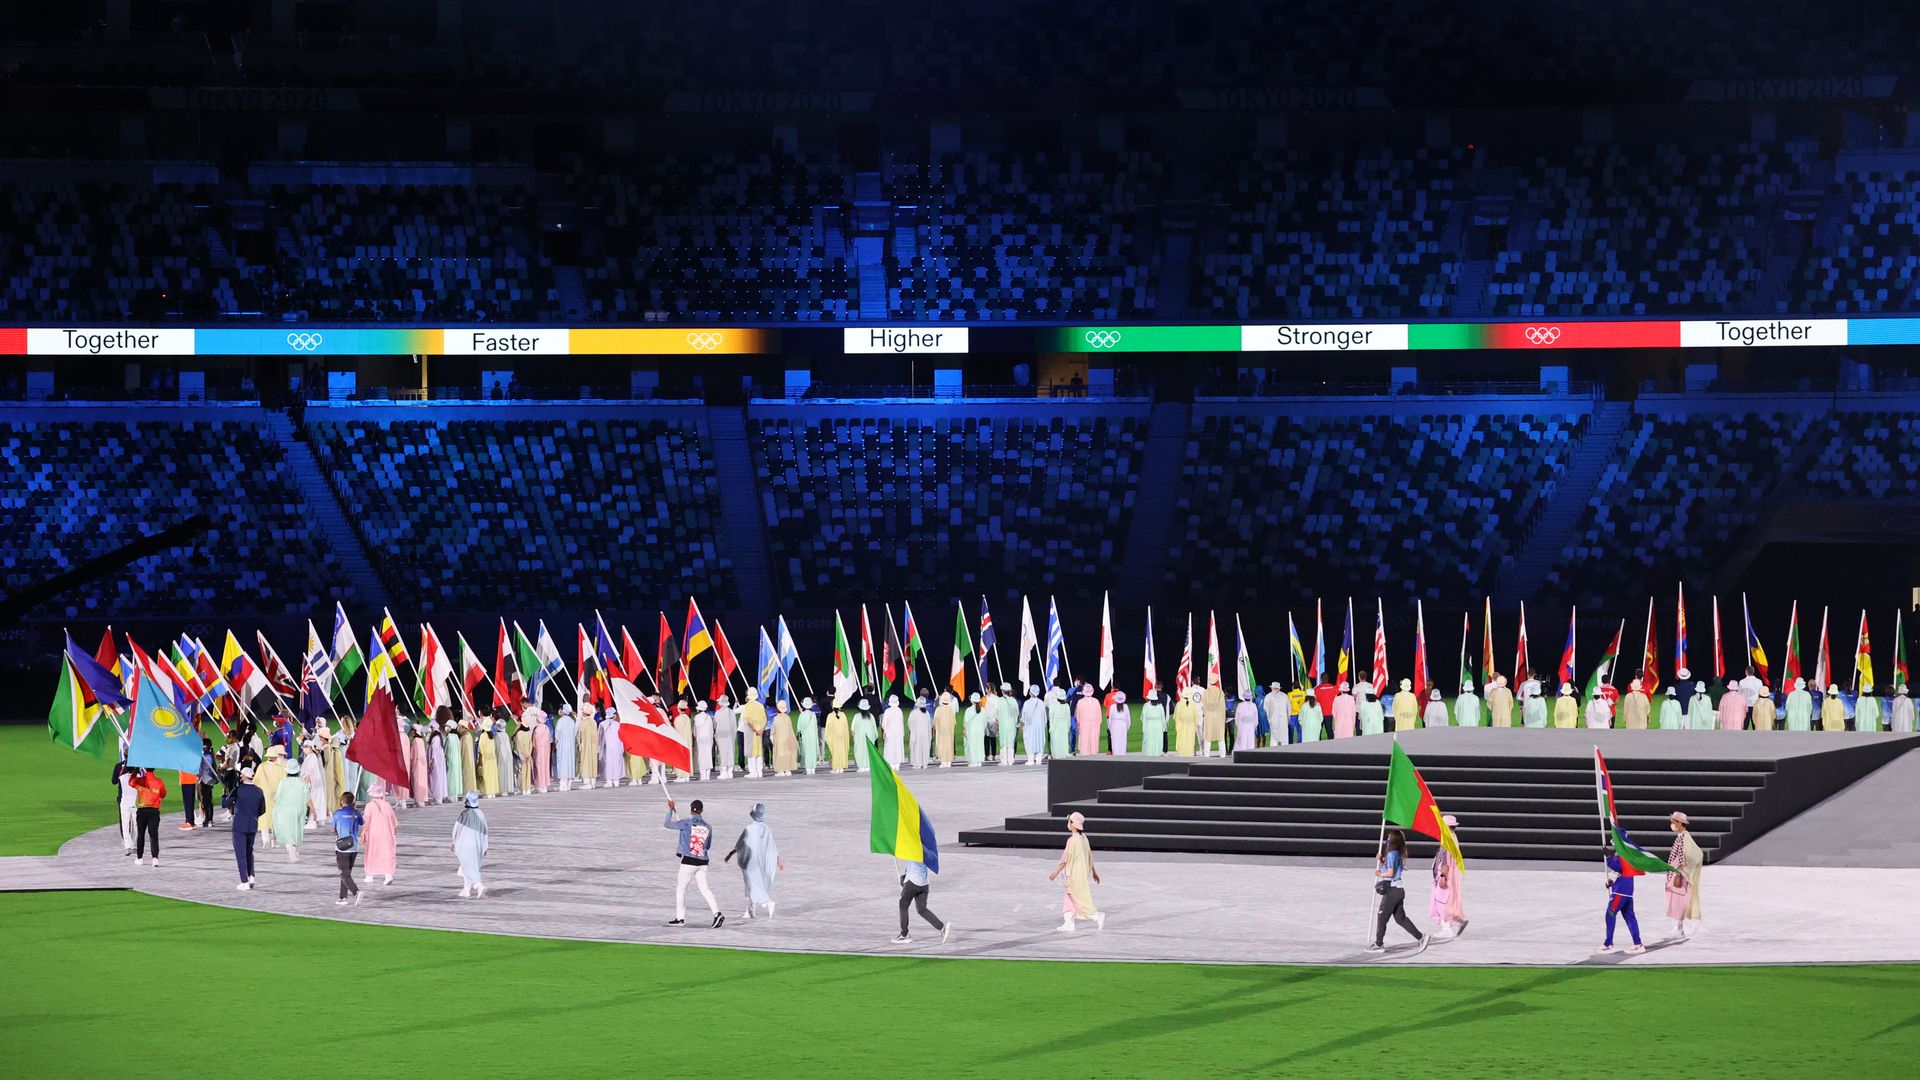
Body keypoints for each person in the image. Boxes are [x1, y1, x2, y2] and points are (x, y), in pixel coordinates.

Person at [663, 798, 724, 928]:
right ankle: (717, 913)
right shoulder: (708, 827)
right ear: (702, 810)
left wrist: (670, 810)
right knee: (705, 889)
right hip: (703, 861)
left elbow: (667, 824)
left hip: (689, 861)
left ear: (691, 810)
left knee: (681, 889)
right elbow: (708, 845)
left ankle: (680, 918)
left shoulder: (686, 823)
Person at [1368, 829, 1428, 953]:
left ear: (1393, 840)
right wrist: (1381, 860)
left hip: (1392, 890)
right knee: (1400, 918)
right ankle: (1421, 937)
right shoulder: (1396, 853)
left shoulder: (1391, 854)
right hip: (1399, 890)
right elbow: (1392, 867)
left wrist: (1379, 873)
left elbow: (1390, 873)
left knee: (1382, 916)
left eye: (1389, 838)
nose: (1387, 840)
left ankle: (1379, 944)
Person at [724, 802, 783, 920]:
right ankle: (750, 910)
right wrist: (777, 860)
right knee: (755, 884)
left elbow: (740, 843)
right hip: (761, 861)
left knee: (750, 885)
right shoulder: (767, 829)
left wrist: (730, 854)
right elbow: (772, 846)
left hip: (749, 860)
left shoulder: (749, 829)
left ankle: (766, 903)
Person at [1050, 812, 1106, 932]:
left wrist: (1056, 872)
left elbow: (1065, 859)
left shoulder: (1072, 840)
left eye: (1069, 821)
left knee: (1077, 898)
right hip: (1080, 874)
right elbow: (1089, 855)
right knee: (1069, 898)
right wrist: (1094, 871)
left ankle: (1096, 916)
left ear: (1072, 824)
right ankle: (1068, 923)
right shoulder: (1084, 838)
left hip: (1072, 875)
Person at [894, 856, 950, 945]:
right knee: (922, 909)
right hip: (924, 884)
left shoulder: (912, 850)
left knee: (903, 905)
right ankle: (942, 928)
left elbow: (903, 853)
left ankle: (904, 935)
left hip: (912, 882)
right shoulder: (925, 850)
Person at [1665, 811, 1704, 938]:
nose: (1672, 824)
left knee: (1678, 900)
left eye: (1674, 822)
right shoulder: (1681, 836)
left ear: (1680, 823)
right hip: (1676, 871)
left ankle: (1678, 928)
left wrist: (1678, 872)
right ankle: (1678, 927)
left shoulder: (1683, 838)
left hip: (1679, 872)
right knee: (1676, 899)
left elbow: (1683, 857)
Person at [1601, 842, 1645, 954]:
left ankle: (1608, 944)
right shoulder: (1625, 854)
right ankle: (1638, 944)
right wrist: (1611, 881)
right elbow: (1618, 872)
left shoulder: (1624, 854)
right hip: (1627, 892)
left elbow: (1617, 866)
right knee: (1630, 917)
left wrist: (1608, 857)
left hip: (1620, 893)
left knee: (1610, 914)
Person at [1430, 814, 1467, 939]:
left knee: (1442, 901)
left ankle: (1447, 928)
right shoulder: (1452, 837)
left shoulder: (1447, 841)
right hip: (1450, 874)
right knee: (1450, 899)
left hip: (1445, 875)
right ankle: (1458, 920)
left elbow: (1445, 860)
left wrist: (1442, 875)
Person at [230, 765, 265, 889]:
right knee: (249, 851)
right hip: (252, 825)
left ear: (244, 777)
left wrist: (228, 796)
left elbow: (225, 803)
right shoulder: (259, 791)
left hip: (239, 826)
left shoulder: (238, 789)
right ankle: (251, 876)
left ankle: (244, 881)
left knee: (241, 854)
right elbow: (262, 810)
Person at [451, 791, 488, 898]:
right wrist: (485, 846)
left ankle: (478, 886)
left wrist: (453, 842)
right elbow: (485, 832)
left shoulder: (464, 814)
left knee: (467, 866)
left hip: (464, 845)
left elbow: (456, 830)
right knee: (470, 866)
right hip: (477, 845)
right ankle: (466, 890)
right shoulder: (481, 814)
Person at [127, 767, 167, 866]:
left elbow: (131, 782)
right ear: (154, 769)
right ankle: (155, 858)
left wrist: (135, 771)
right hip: (154, 811)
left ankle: (140, 858)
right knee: (153, 835)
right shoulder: (159, 782)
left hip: (142, 810)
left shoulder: (140, 781)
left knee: (141, 834)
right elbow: (163, 794)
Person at [362, 777, 398, 886]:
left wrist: (363, 832)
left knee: (372, 853)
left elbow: (366, 822)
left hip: (374, 835)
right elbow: (394, 822)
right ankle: (388, 876)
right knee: (387, 854)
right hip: (387, 834)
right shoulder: (387, 805)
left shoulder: (369, 806)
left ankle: (369, 876)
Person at [272, 758, 309, 862]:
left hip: (285, 810)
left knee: (288, 831)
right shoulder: (302, 783)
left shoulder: (283, 783)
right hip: (298, 810)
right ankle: (295, 850)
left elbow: (277, 797)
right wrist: (314, 812)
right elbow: (307, 798)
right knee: (297, 830)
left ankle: (291, 852)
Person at [331, 792, 364, 906]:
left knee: (344, 873)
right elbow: (362, 823)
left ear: (342, 801)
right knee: (346, 873)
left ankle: (356, 892)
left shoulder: (338, 813)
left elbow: (333, 829)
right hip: (354, 847)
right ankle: (343, 897)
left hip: (343, 848)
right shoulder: (357, 813)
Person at [740, 689, 769, 779]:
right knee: (758, 751)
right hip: (759, 731)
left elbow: (747, 719)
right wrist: (760, 729)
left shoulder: (747, 706)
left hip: (751, 731)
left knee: (751, 751)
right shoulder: (760, 706)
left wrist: (754, 729)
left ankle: (753, 772)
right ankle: (759, 771)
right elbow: (765, 719)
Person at [598, 707, 626, 787]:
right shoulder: (618, 725)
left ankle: (609, 781)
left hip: (607, 747)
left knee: (608, 764)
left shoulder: (602, 724)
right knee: (616, 763)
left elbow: (600, 737)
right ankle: (616, 781)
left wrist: (599, 748)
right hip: (616, 747)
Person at [713, 695, 738, 780]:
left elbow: (715, 725)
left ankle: (724, 772)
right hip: (730, 736)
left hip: (721, 736)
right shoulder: (731, 712)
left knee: (723, 753)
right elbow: (734, 725)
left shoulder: (718, 713)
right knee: (730, 752)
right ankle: (730, 771)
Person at [554, 704, 578, 791]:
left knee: (563, 764)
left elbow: (557, 734)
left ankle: (562, 785)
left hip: (562, 746)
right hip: (570, 746)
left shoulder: (560, 721)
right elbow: (574, 733)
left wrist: (556, 744)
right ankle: (568, 784)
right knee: (569, 763)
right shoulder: (572, 721)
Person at [852, 698, 880, 772]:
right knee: (868, 751)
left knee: (860, 751)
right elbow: (875, 729)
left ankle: (861, 766)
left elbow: (853, 729)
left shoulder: (857, 716)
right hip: (869, 737)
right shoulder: (871, 716)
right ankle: (868, 765)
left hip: (859, 738)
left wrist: (853, 738)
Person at [1137, 689, 1168, 757]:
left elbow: (1143, 718)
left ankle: (1150, 754)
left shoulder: (1146, 706)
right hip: (1158, 725)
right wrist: (1164, 728)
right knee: (1157, 740)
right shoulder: (1160, 706)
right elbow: (1163, 718)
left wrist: (1144, 727)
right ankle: (1157, 754)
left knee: (1150, 740)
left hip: (1150, 725)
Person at [1201, 680, 1228, 756]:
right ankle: (1222, 754)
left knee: (1208, 736)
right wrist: (1223, 717)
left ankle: (1206, 754)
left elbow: (1203, 704)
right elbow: (1223, 706)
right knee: (1220, 736)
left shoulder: (1206, 692)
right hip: (1218, 717)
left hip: (1209, 717)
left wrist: (1204, 713)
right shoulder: (1220, 692)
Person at [797, 696, 823, 775]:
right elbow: (816, 726)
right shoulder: (813, 715)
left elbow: (799, 728)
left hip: (805, 736)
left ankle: (808, 768)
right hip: (813, 736)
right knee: (813, 751)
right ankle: (813, 768)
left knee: (806, 751)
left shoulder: (802, 715)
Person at [997, 682, 1021, 765]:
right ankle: (1010, 760)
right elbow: (1017, 713)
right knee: (1011, 742)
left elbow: (996, 713)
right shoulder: (1013, 701)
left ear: (1002, 691)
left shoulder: (999, 700)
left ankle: (1004, 761)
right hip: (1012, 725)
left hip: (1003, 724)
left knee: (1003, 742)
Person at [689, 699, 714, 780]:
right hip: (708, 739)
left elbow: (694, 730)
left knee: (701, 756)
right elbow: (711, 730)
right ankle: (708, 775)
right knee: (708, 755)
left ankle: (703, 775)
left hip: (700, 739)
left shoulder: (696, 717)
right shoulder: (709, 717)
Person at [880, 695, 906, 771]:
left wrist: (884, 732)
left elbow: (884, 724)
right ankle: (897, 764)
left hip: (890, 732)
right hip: (898, 732)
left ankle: (891, 763)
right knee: (897, 747)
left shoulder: (887, 711)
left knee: (890, 747)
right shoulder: (899, 711)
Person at [826, 698, 852, 772]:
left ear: (832, 707)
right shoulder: (843, 715)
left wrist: (828, 737)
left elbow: (828, 728)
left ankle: (836, 767)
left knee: (835, 752)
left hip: (834, 737)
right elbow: (846, 727)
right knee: (842, 751)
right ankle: (841, 767)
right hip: (842, 737)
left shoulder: (830, 716)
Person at [1073, 686, 1101, 757]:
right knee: (1093, 741)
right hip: (1094, 723)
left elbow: (1078, 715)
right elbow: (1099, 715)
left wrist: (1078, 724)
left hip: (1084, 724)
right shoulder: (1096, 701)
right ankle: (1093, 754)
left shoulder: (1080, 702)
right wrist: (1098, 724)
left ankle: (1085, 755)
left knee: (1085, 741)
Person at [1171, 686, 1200, 754]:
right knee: (1189, 741)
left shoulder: (1179, 704)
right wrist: (1195, 727)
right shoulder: (1193, 704)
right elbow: (1196, 717)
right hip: (1190, 726)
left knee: (1183, 741)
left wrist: (1178, 727)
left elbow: (1176, 717)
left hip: (1182, 726)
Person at [530, 709, 553, 793]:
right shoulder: (546, 728)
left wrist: (532, 749)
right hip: (546, 751)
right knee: (545, 767)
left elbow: (534, 742)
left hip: (538, 751)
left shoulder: (537, 729)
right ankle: (545, 785)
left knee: (539, 767)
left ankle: (539, 784)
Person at [1262, 681, 1291, 747]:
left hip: (1273, 720)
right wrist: (1288, 718)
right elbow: (1289, 709)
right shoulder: (1285, 696)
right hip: (1283, 720)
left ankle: (1273, 753)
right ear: (1279, 688)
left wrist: (1268, 719)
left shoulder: (1268, 696)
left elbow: (1265, 709)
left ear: (1272, 688)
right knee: (1284, 738)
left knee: (1274, 739)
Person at [966, 693, 992, 766]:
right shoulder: (983, 710)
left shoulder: (968, 710)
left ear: (972, 701)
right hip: (980, 731)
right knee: (980, 746)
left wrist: (965, 730)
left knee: (973, 746)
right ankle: (979, 761)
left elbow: (966, 722)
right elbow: (985, 722)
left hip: (972, 731)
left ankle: (974, 761)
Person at [1107, 691, 1132, 756]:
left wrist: (1109, 727)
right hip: (1123, 725)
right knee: (1122, 741)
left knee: (1115, 741)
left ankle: (1116, 754)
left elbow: (1110, 719)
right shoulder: (1125, 706)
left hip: (1114, 725)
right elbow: (1128, 719)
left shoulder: (1112, 706)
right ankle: (1122, 754)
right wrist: (1127, 727)